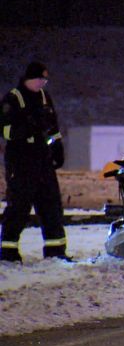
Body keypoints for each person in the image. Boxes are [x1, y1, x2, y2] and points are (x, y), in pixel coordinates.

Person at [0, 61, 68, 262]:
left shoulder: (45, 97)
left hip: (42, 158)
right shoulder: (14, 98)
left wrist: (57, 146)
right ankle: (8, 251)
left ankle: (56, 251)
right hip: (21, 159)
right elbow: (4, 130)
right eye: (39, 79)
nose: (42, 84)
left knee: (51, 204)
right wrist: (28, 127)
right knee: (19, 204)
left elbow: (53, 127)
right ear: (29, 78)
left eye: (44, 80)